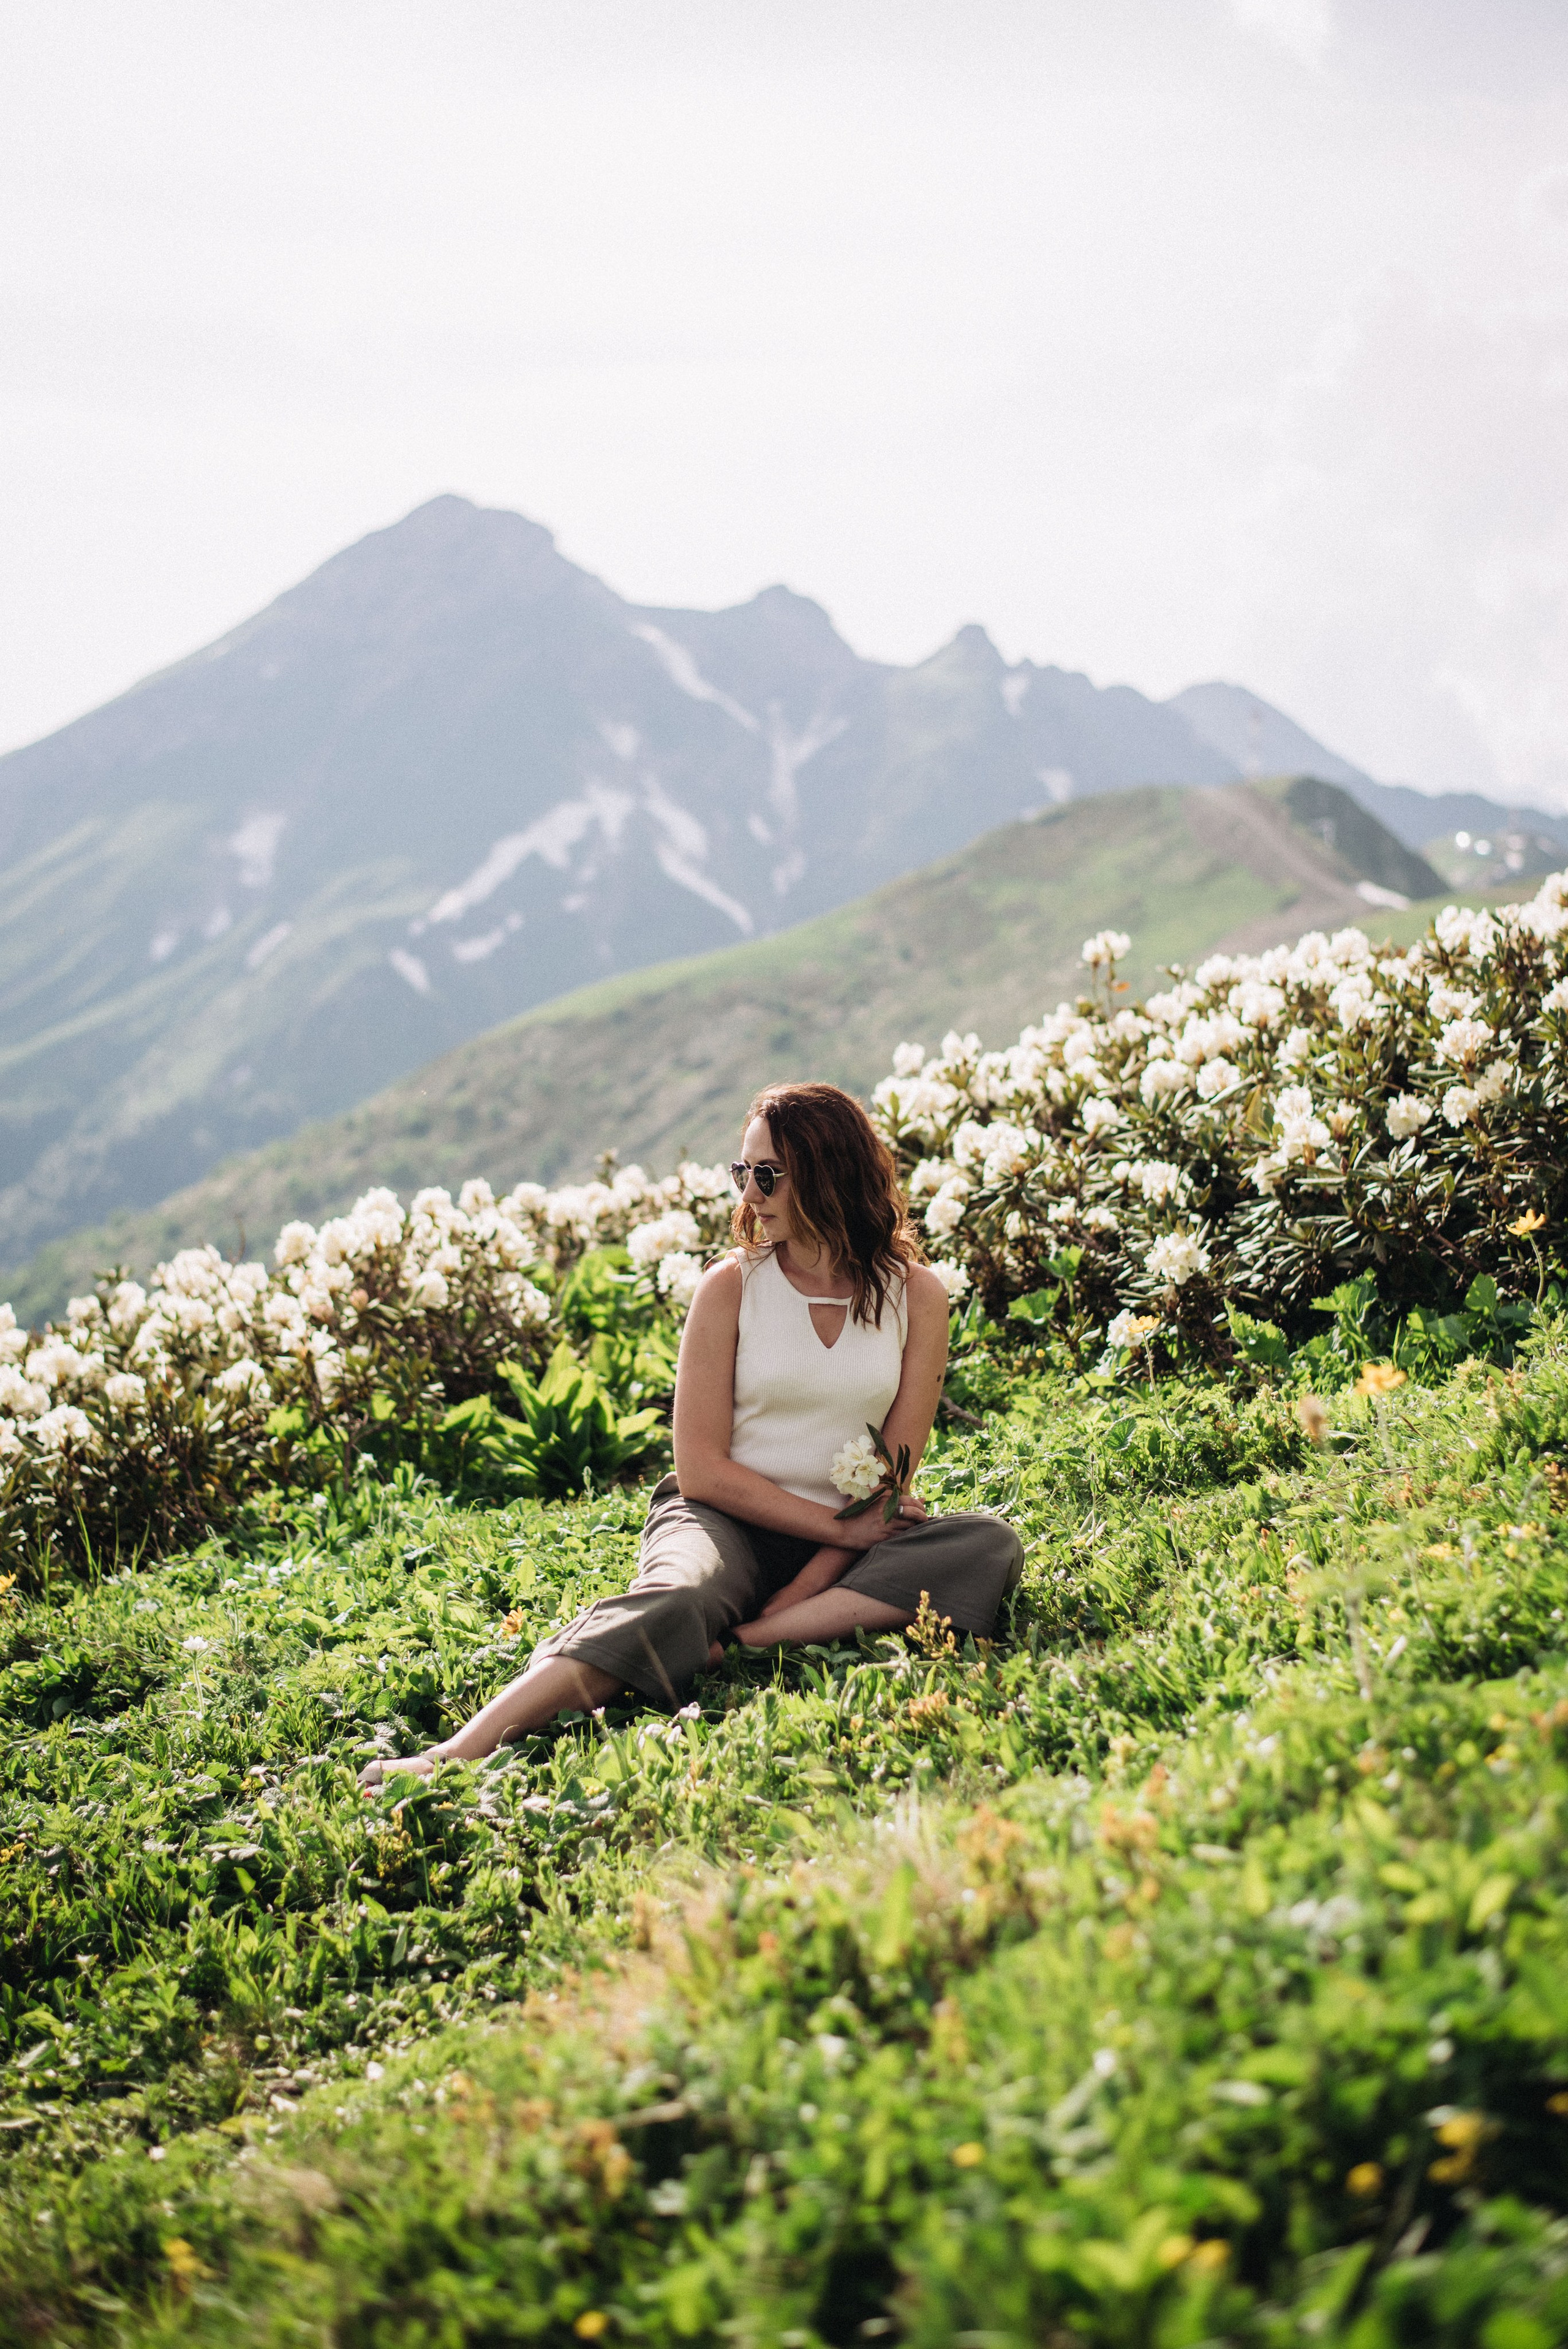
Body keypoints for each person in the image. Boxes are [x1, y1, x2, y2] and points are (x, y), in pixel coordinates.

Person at [359, 1082, 1023, 1787]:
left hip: (847, 1537)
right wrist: (840, 1534)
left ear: (828, 1173)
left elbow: (892, 1481)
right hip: (721, 1518)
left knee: (986, 1543)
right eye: (743, 1172)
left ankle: (737, 1642)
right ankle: (450, 1756)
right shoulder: (730, 1287)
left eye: (768, 1174)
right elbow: (701, 1469)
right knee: (677, 1596)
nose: (750, 1192)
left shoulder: (916, 1297)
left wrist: (813, 1573)